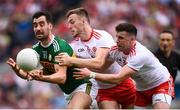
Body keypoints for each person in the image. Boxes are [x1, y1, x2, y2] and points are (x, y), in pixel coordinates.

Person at [6, 11, 98, 109]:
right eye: (35, 25)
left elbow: (62, 77)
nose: (38, 28)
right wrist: (17, 70)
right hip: (68, 93)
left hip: (83, 85)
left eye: (41, 24)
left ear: (50, 26)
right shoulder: (35, 50)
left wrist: (41, 78)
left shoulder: (59, 47)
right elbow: (28, 75)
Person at [73, 23, 175, 109]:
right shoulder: (114, 50)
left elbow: (117, 79)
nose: (117, 40)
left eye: (121, 38)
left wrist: (90, 74)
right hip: (140, 90)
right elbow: (101, 66)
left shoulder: (139, 55)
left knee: (160, 107)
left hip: (161, 84)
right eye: (117, 36)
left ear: (132, 40)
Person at [55, 8, 136, 109]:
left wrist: (71, 60)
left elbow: (99, 63)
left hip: (122, 83)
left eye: (72, 22)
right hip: (102, 90)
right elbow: (61, 62)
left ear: (83, 21)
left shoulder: (102, 36)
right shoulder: (73, 46)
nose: (69, 26)